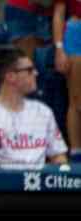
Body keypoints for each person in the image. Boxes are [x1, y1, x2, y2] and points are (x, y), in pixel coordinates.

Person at [0, 47, 68, 169]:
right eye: (29, 70)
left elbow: (58, 155)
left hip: (38, 184)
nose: (36, 73)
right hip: (0, 183)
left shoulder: (43, 111)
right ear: (10, 76)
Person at [53, 0, 81, 161]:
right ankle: (77, 152)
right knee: (76, 99)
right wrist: (59, 48)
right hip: (77, 33)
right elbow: (59, 13)